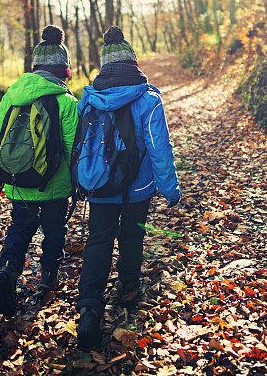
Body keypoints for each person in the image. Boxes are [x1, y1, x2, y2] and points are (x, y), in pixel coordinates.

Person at [76, 26, 181, 349]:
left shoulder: (89, 99)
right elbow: (159, 148)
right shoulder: (147, 99)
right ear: (134, 64)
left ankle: (89, 308)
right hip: (138, 188)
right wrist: (170, 189)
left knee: (99, 240)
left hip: (100, 184)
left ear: (105, 67)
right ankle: (128, 287)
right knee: (132, 235)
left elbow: (78, 145)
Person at [0, 25, 79, 317]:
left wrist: (9, 173)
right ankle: (47, 278)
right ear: (63, 69)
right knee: (54, 230)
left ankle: (8, 270)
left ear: (35, 66)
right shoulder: (65, 101)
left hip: (18, 181)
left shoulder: (12, 96)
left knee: (20, 227)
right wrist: (76, 181)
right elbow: (72, 147)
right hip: (54, 185)